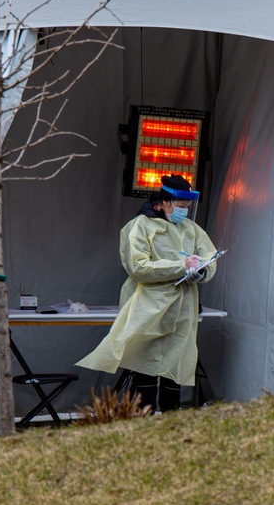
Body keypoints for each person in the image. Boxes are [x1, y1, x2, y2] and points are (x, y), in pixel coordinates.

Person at [77, 174, 218, 412]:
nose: (184, 212)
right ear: (164, 202)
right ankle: (145, 428)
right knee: (145, 374)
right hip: (148, 311)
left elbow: (210, 258)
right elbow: (138, 267)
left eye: (187, 207)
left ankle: (170, 429)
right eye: (180, 206)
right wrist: (181, 267)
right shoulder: (140, 226)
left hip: (181, 313)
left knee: (174, 373)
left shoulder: (191, 230)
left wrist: (201, 272)